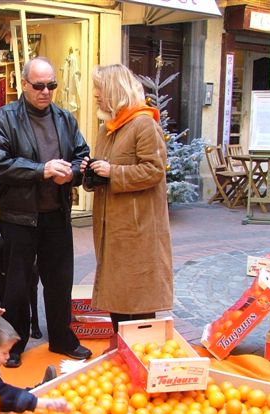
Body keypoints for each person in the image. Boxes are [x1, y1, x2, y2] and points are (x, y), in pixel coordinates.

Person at [0, 56, 92, 368]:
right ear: (24, 85)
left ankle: (61, 337)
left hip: (56, 212)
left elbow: (81, 154)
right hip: (19, 216)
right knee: (17, 283)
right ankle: (13, 345)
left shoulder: (64, 118)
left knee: (59, 280)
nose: (46, 91)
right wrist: (41, 170)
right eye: (39, 86)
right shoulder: (3, 118)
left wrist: (72, 171)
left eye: (51, 85)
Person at [81, 64, 173, 351]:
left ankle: (142, 354)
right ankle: (122, 348)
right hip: (113, 228)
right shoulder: (106, 128)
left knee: (138, 294)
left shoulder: (144, 124)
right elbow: (106, 170)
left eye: (99, 89)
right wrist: (92, 173)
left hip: (138, 229)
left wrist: (112, 172)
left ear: (113, 91)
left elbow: (154, 171)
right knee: (117, 292)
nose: (95, 95)